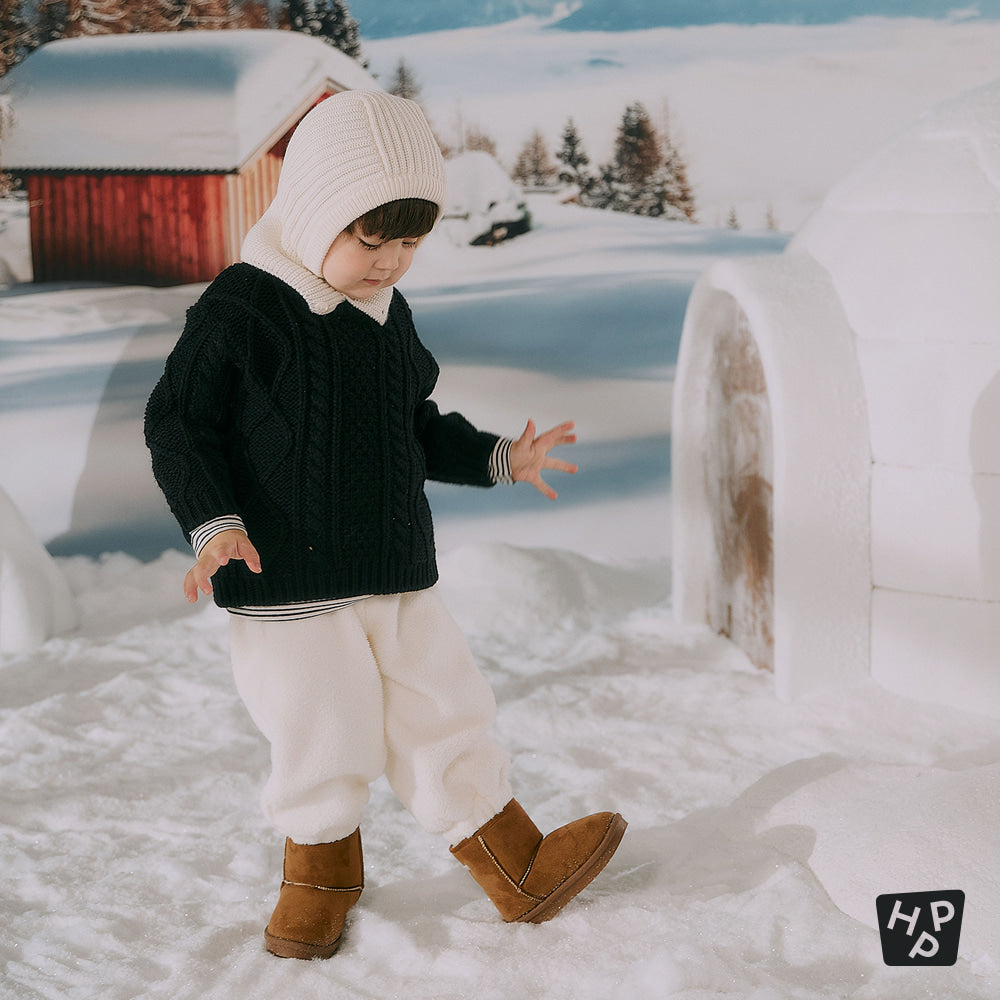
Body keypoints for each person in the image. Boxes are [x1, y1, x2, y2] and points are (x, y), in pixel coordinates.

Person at [144, 89, 626, 961]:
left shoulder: (386, 314)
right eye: (371, 238)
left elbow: (416, 422)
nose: (391, 263)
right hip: (282, 576)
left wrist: (498, 460)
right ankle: (319, 877)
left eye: (410, 241)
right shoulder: (243, 309)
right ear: (314, 210)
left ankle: (513, 864)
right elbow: (179, 423)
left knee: (444, 707)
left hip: (394, 566)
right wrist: (212, 524)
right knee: (320, 727)